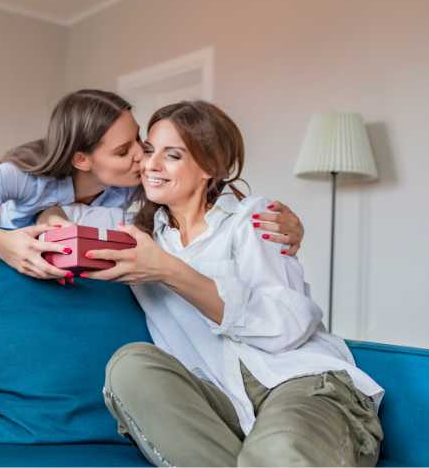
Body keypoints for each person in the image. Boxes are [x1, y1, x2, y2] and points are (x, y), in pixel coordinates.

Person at [64, 101, 383, 466]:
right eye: (150, 151)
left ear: (210, 167)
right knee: (130, 366)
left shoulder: (253, 219)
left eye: (172, 155)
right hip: (220, 405)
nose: (150, 165)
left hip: (299, 384)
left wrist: (169, 271)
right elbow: (30, 210)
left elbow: (287, 327)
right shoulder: (135, 232)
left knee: (275, 454)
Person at [0, 89, 305, 284]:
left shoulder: (139, 186)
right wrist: (1, 241)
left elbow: (204, 199)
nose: (143, 157)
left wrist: (282, 227)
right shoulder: (24, 174)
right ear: (82, 160)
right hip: (5, 278)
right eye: (124, 151)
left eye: (140, 140)